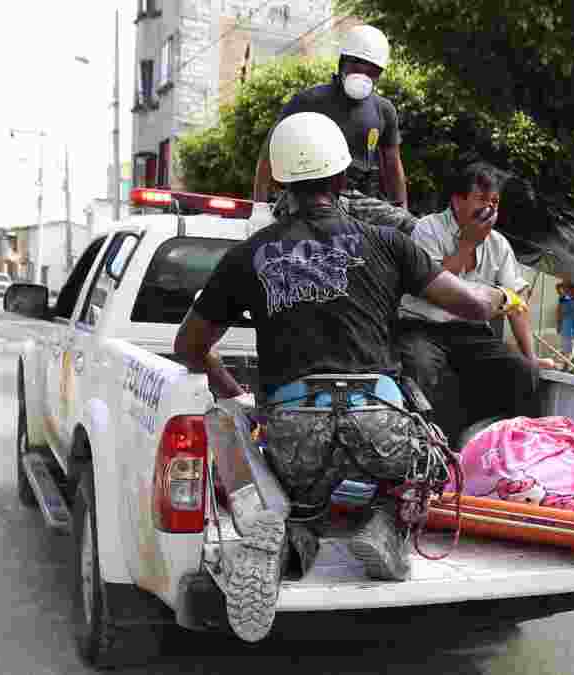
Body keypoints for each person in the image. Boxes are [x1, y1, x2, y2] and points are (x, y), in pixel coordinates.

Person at [174, 112, 524, 643]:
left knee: (303, 499)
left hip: (294, 427)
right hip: (377, 418)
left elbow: (190, 346)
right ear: (341, 179)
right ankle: (387, 524)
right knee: (430, 455)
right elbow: (474, 304)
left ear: (283, 182)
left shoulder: (248, 255)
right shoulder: (389, 242)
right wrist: (503, 295)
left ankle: (286, 540)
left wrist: (233, 391)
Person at [395, 162, 555, 445]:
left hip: (469, 333)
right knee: (422, 367)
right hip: (422, 327)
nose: (489, 209)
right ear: (457, 201)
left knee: (522, 373)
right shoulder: (428, 229)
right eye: (481, 200)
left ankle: (516, 452)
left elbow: (515, 303)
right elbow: (431, 286)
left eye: (494, 201)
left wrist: (530, 357)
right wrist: (468, 244)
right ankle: (432, 452)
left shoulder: (499, 244)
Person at [252, 24, 407, 209]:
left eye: (372, 72)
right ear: (342, 63)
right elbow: (268, 153)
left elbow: (393, 165)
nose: (363, 76)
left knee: (409, 227)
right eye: (356, 67)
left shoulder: (383, 110)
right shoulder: (309, 101)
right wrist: (259, 208)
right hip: (307, 196)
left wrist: (402, 209)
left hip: (358, 200)